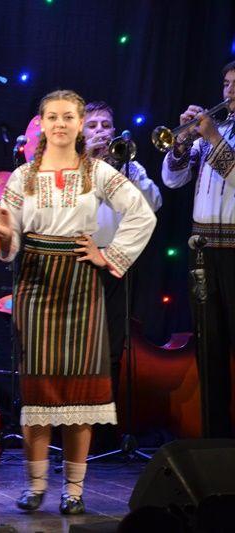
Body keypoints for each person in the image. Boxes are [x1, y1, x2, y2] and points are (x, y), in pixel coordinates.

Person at [0, 89, 156, 514]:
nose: (60, 124)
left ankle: (74, 490)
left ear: (79, 124)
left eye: (68, 117)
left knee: (82, 391)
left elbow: (142, 213)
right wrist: (0, 232)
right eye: (52, 117)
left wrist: (109, 255)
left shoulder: (97, 171)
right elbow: (10, 239)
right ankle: (36, 485)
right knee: (38, 391)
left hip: (81, 282)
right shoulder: (23, 177)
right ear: (42, 124)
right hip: (36, 281)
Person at [161, 61, 235, 438]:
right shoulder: (212, 132)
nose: (229, 92)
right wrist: (181, 143)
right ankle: (214, 439)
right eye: (226, 84)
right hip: (203, 250)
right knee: (209, 348)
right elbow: (173, 180)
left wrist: (213, 138)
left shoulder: (215, 135)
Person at [83, 101, 162, 405]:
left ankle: (107, 422)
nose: (100, 131)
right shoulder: (72, 165)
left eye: (105, 125)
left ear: (114, 130)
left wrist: (128, 171)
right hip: (80, 260)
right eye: (92, 126)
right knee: (81, 345)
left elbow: (153, 203)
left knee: (113, 345)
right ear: (81, 132)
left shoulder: (127, 164)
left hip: (116, 261)